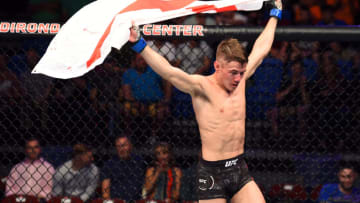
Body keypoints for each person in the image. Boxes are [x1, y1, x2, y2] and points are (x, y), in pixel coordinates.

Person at [128, 0, 282, 202]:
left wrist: (274, 15)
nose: (238, 78)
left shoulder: (242, 79)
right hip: (213, 173)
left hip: (238, 168)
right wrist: (140, 45)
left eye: (241, 73)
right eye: (233, 73)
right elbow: (169, 72)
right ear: (217, 66)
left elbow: (261, 50)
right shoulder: (201, 87)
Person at [101, 136, 146, 201]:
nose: (121, 149)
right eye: (118, 146)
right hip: (117, 201)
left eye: (124, 145)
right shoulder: (109, 164)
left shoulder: (140, 161)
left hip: (136, 200)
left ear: (131, 146)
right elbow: (105, 192)